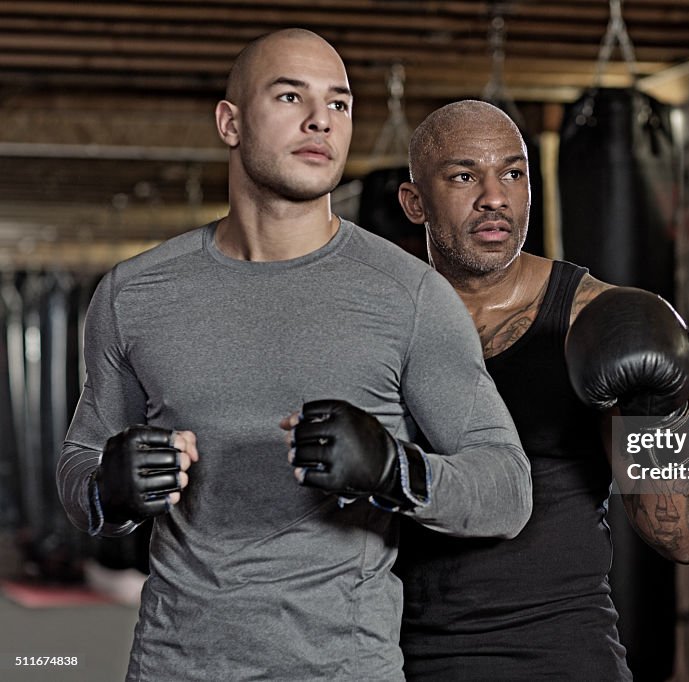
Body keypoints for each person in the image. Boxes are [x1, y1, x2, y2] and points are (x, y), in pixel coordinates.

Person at [56, 33, 532, 681]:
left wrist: (397, 473)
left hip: (343, 667)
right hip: (175, 664)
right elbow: (80, 465)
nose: (320, 120)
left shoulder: (409, 294)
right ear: (231, 123)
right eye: (290, 96)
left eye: (339, 104)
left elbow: (506, 489)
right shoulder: (133, 294)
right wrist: (109, 489)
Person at [392, 100, 689, 681]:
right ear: (414, 202)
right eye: (465, 175)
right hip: (403, 657)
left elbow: (687, 537)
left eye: (513, 173)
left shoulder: (591, 318)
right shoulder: (382, 320)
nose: (495, 196)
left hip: (561, 654)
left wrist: (662, 409)